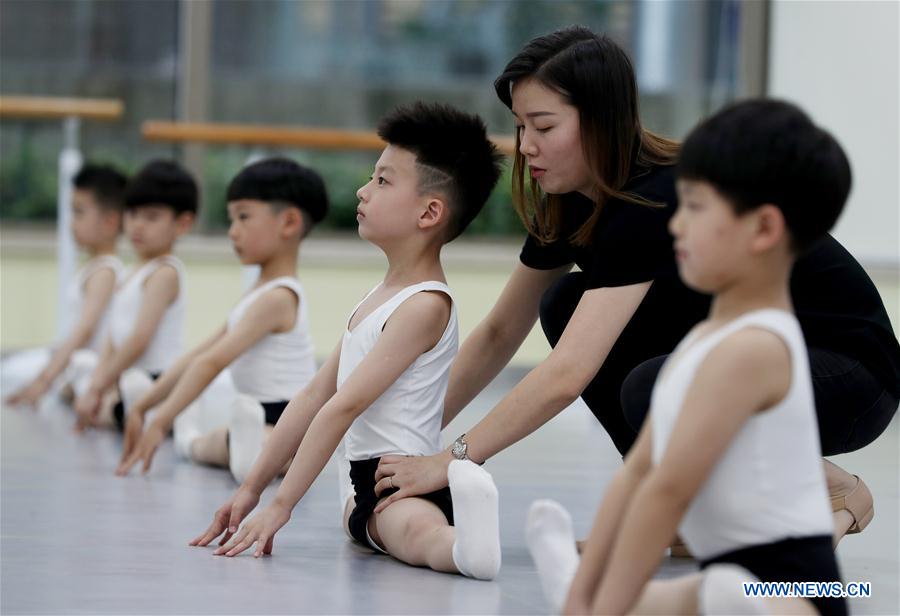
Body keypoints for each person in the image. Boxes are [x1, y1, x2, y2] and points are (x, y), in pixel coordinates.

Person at [374, 26, 899, 549]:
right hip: (755, 359)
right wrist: (413, 437)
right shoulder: (572, 198)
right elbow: (500, 331)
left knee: (654, 387)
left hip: (850, 376)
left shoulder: (649, 200)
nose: (525, 146)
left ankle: (828, 488)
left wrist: (451, 458)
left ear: (601, 122)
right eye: (518, 126)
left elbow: (566, 377)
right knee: (566, 302)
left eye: (544, 125)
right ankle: (685, 512)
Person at [526, 99, 850, 616]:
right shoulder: (705, 342)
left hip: (793, 595)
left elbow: (667, 493)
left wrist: (604, 608)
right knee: (691, 595)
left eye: (695, 208)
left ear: (763, 230)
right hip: (728, 580)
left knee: (722, 596)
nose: (675, 225)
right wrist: (589, 592)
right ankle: (576, 588)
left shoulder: (755, 349)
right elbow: (639, 477)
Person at [190, 102, 506, 581]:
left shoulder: (424, 305)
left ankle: (466, 546)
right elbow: (315, 394)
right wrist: (250, 488)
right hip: (361, 487)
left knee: (413, 536)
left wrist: (281, 505)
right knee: (367, 530)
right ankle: (449, 534)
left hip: (398, 482)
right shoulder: (379, 297)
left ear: (429, 211)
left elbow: (341, 407)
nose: (363, 190)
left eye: (382, 181)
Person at [115, 158, 325, 481]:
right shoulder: (257, 293)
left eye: (243, 217)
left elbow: (211, 363)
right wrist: (144, 406)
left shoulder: (278, 298)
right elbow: (197, 355)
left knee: (272, 446)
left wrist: (160, 420)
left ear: (288, 223)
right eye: (231, 219)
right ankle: (198, 442)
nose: (232, 232)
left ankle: (241, 451)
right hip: (253, 415)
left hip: (287, 421)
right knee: (213, 444)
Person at [70, 160, 197, 432]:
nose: (137, 225)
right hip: (127, 377)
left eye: (151, 217)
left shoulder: (165, 273)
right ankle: (123, 405)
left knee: (110, 399)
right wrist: (98, 381)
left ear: (182, 223)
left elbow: (140, 339)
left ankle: (148, 410)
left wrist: (97, 386)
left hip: (156, 379)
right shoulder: (129, 273)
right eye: (132, 214)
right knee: (90, 384)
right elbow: (112, 338)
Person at [4, 164, 127, 408]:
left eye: (79, 213)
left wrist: (44, 380)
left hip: (88, 369)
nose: (72, 224)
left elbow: (84, 331)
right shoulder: (94, 268)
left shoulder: (104, 271)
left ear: (110, 222)